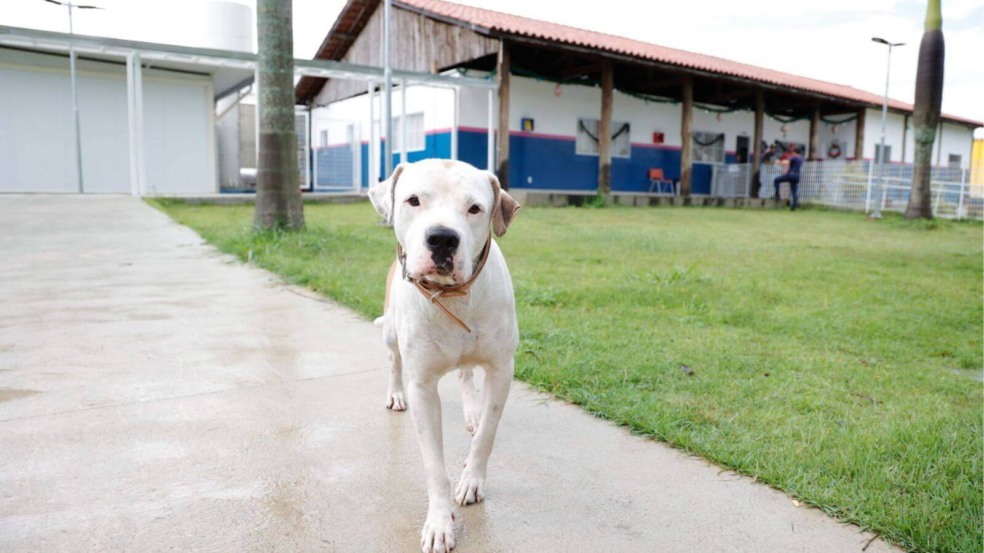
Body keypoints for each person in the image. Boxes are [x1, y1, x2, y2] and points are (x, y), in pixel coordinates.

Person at [773, 144, 803, 210]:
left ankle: (777, 195)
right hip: (797, 176)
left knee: (776, 180)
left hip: (791, 175)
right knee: (794, 191)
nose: (792, 154)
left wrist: (778, 162)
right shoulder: (801, 159)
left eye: (793, 152)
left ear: (795, 152)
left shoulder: (794, 157)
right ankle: (794, 206)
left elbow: (786, 162)